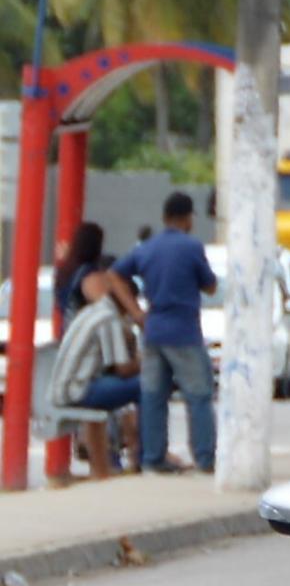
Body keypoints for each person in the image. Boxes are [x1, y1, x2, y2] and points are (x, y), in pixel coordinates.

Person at [112, 192, 214, 474]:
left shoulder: (146, 248)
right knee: (199, 395)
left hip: (153, 330)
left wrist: (135, 312)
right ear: (187, 217)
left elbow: (115, 275)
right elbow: (210, 285)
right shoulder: (191, 247)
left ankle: (153, 459)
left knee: (154, 396)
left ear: (165, 217)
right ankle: (205, 458)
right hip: (184, 331)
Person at [45, 262, 142, 482]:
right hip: (80, 390)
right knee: (148, 385)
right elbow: (123, 368)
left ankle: (101, 469)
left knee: (115, 394)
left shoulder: (93, 311)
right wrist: (148, 363)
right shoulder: (109, 318)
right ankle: (146, 456)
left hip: (66, 387)